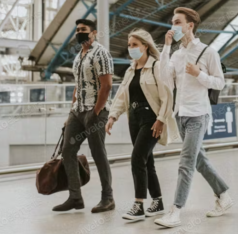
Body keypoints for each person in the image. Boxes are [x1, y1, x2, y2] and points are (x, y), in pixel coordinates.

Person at [154, 7, 233, 228]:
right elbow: (163, 78)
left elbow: (219, 83)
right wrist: (167, 47)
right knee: (199, 160)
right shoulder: (177, 55)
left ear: (190, 25)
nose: (173, 26)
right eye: (172, 22)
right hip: (181, 115)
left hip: (199, 114)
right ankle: (224, 195)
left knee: (186, 163)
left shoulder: (208, 52)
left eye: (177, 22)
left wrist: (199, 74)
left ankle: (175, 211)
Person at [105, 29, 180, 221]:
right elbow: (122, 96)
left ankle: (138, 205)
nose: (131, 49)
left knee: (137, 158)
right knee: (148, 161)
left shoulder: (156, 66)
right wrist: (113, 116)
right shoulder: (131, 70)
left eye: (135, 45)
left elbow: (167, 96)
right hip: (134, 119)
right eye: (129, 45)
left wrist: (161, 119)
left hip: (151, 118)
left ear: (145, 46)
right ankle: (158, 202)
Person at [53, 19, 115, 214]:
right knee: (68, 151)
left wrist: (96, 112)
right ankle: (75, 197)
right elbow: (78, 86)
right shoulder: (79, 56)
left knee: (98, 153)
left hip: (95, 111)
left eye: (83, 30)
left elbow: (107, 85)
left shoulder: (101, 53)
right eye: (77, 29)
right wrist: (71, 111)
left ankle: (108, 197)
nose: (79, 32)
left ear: (93, 33)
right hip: (77, 111)